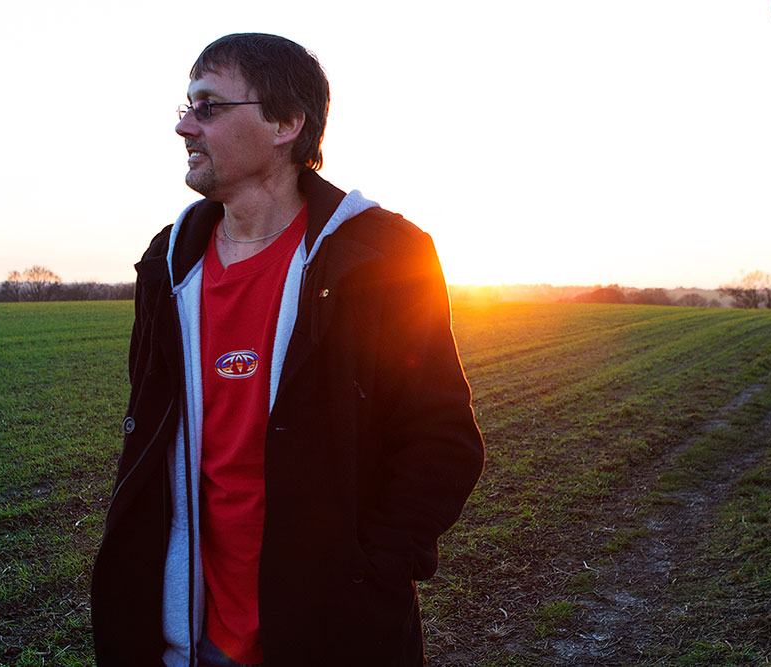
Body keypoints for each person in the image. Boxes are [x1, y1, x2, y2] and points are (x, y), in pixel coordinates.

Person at [90, 33, 484, 666]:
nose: (185, 126)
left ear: (286, 123)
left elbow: (443, 438)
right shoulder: (166, 265)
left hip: (331, 632)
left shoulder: (380, 255)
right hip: (189, 632)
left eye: (209, 107)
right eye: (185, 107)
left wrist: (372, 571)